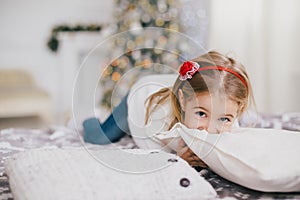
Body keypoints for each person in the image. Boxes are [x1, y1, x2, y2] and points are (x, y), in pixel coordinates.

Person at [83, 51, 255, 168]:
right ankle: (90, 119)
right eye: (201, 114)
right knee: (99, 137)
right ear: (182, 101)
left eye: (224, 118)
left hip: (175, 85)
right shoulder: (160, 117)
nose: (209, 129)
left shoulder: (226, 112)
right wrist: (177, 158)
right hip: (141, 95)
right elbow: (148, 152)